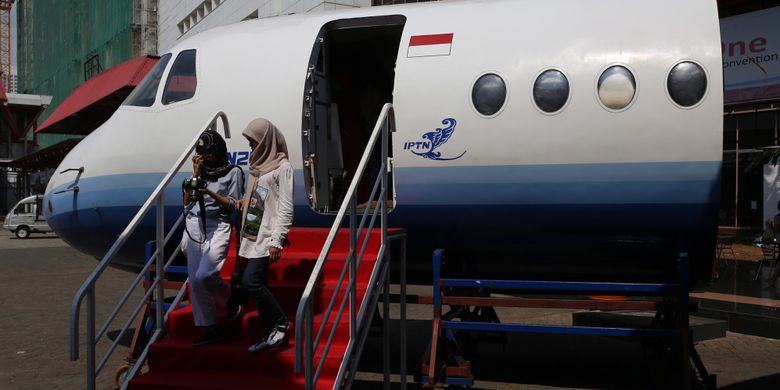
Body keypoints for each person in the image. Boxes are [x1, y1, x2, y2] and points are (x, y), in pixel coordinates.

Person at [237, 118, 294, 353]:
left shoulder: (283, 168)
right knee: (257, 282)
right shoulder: (260, 168)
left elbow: (285, 207)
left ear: (265, 141)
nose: (251, 146)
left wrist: (277, 241)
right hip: (252, 234)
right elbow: (262, 201)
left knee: (251, 281)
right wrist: (246, 202)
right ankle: (271, 333)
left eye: (253, 141)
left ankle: (281, 323)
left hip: (267, 237)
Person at [183, 129, 244, 346]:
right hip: (195, 222)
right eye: (202, 153)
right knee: (195, 280)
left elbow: (234, 205)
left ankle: (230, 299)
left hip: (218, 224)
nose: (206, 157)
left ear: (218, 150)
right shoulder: (201, 171)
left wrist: (209, 193)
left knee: (205, 275)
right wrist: (196, 174)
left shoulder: (233, 172)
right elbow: (187, 201)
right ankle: (211, 326)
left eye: (209, 153)